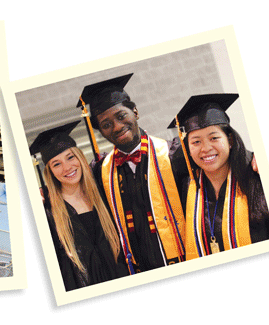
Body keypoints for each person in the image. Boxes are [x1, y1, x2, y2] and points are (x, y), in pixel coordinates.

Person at [79, 73, 186, 274]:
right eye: (106, 124)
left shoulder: (175, 154)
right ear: (100, 131)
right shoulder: (100, 171)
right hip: (138, 271)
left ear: (135, 111)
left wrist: (251, 158)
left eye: (121, 116)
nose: (117, 127)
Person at [168, 94, 269, 260]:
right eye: (196, 142)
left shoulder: (258, 177)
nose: (206, 148)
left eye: (214, 138)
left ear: (230, 140)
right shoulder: (186, 187)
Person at [30, 120, 127, 290]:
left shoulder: (104, 193)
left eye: (70, 157)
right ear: (50, 171)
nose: (67, 167)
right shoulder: (48, 211)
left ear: (80, 157)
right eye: (56, 164)